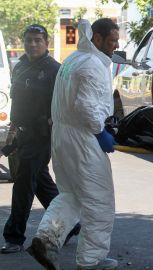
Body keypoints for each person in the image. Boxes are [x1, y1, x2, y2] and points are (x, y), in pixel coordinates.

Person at [26, 18, 118, 270]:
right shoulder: (92, 65)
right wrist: (101, 133)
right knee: (99, 201)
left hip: (63, 138)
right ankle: (91, 261)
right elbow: (86, 106)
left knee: (71, 195)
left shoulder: (73, 60)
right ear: (97, 39)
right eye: (111, 41)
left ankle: (45, 240)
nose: (115, 45)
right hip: (83, 140)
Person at [1, 24, 80, 254]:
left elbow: (67, 101)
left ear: (46, 43)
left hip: (44, 135)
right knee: (41, 182)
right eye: (28, 40)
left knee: (24, 182)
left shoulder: (56, 69)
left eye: (37, 40)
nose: (32, 44)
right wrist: (12, 130)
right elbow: (17, 101)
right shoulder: (21, 66)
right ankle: (70, 226)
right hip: (23, 134)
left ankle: (14, 237)